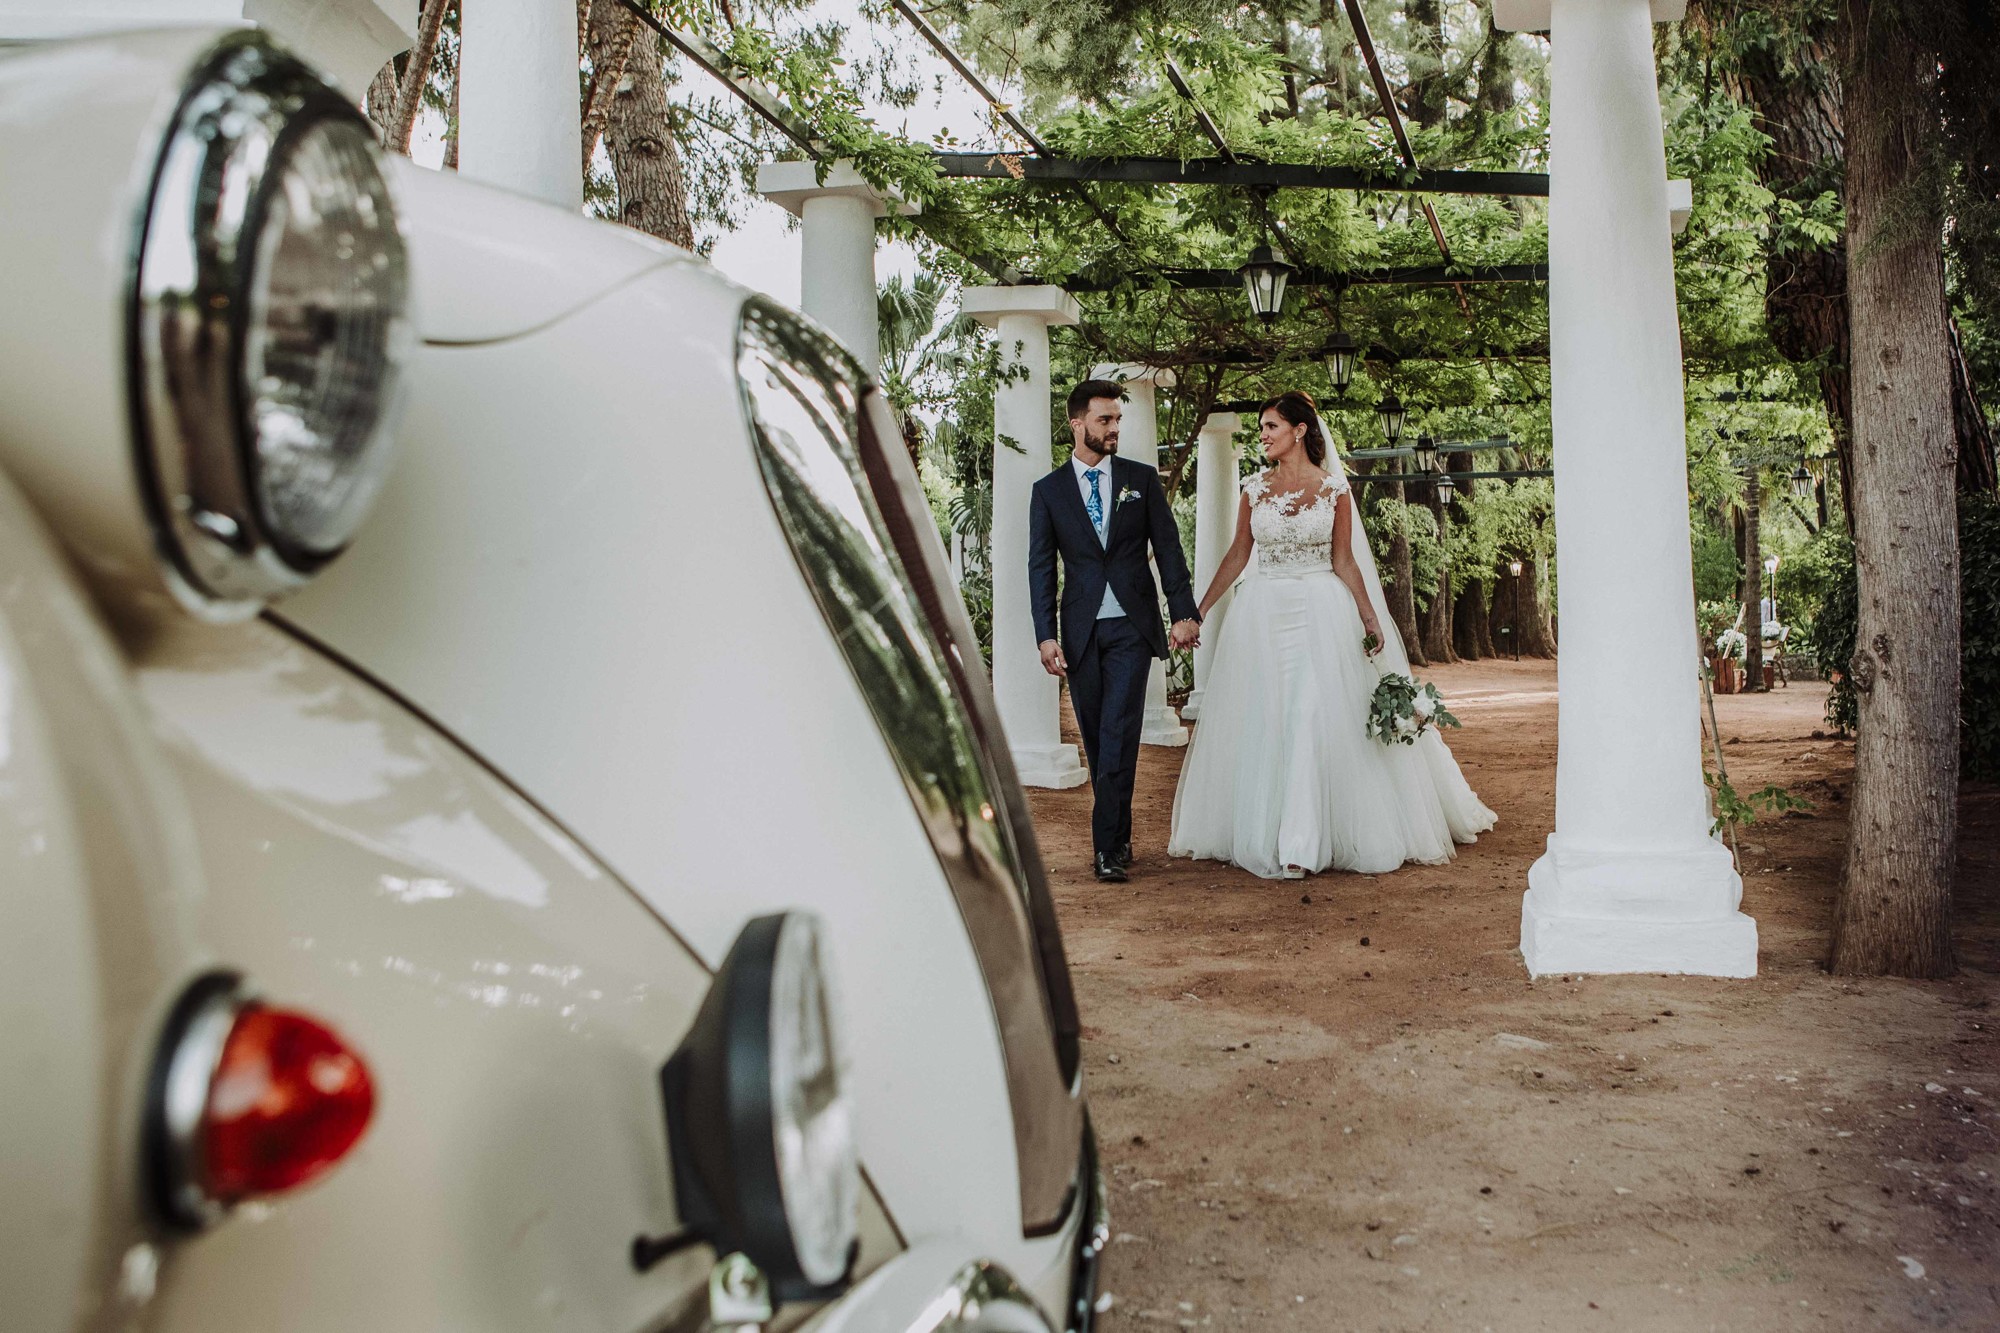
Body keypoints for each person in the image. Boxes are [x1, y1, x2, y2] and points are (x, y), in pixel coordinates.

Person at [1168, 391, 1495, 879]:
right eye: (1261, 428)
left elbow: (1344, 560)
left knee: (1310, 713)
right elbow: (1238, 554)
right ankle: (1270, 829)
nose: (1263, 435)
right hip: (1262, 613)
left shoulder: (1334, 490)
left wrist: (1369, 615)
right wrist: (1198, 611)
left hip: (1321, 610)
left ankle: (1302, 840)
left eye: (1271, 426)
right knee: (1269, 716)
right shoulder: (1254, 488)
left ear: (1299, 431)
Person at [1029, 379, 1202, 883]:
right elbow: (1041, 568)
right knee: (1098, 738)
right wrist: (1045, 634)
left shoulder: (1141, 480)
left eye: (1118, 420)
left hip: (1131, 625)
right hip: (1080, 631)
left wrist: (1183, 612)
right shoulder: (1048, 492)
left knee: (1119, 731)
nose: (1114, 429)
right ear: (1076, 423)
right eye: (1105, 420)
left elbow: (1169, 552)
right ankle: (1119, 834)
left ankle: (1105, 847)